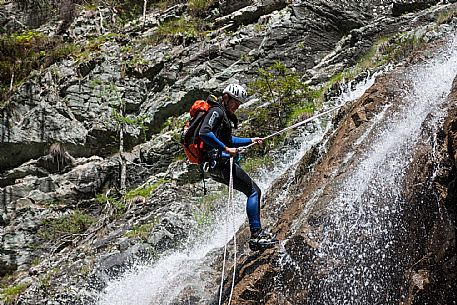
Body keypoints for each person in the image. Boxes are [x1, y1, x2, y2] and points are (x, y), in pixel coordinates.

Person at [199, 83, 277, 250]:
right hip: (219, 163)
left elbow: (229, 141)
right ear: (226, 97)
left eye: (239, 103)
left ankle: (257, 235)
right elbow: (204, 133)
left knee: (252, 191)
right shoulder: (217, 111)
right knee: (253, 191)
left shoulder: (223, 116)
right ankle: (256, 235)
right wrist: (226, 149)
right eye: (235, 102)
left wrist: (250, 140)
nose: (237, 106)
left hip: (215, 165)